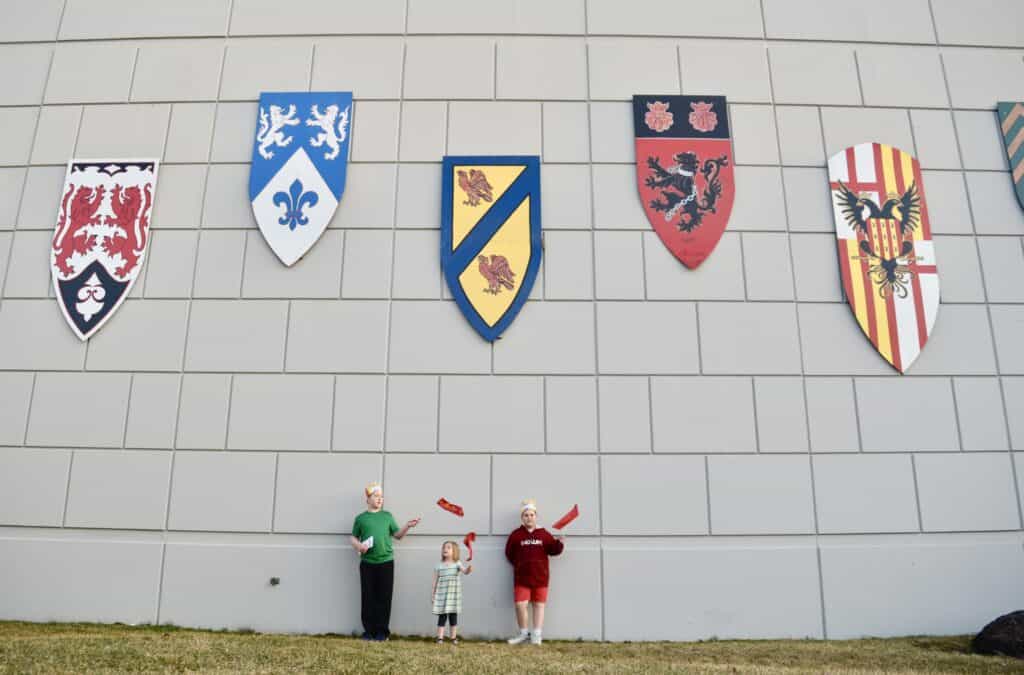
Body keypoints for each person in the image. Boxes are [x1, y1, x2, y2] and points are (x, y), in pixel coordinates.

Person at [349, 482, 420, 641]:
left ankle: (382, 632)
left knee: (384, 598)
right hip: (367, 564)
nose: (380, 499)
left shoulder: (387, 516)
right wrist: (358, 545)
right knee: (368, 597)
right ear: (368, 499)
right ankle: (369, 632)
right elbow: (352, 537)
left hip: (386, 563)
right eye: (376, 496)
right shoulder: (360, 519)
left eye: (381, 497)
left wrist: (408, 526)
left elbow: (398, 535)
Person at [504, 499, 564, 645]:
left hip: (541, 577)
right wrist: (519, 565)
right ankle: (524, 634)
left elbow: (553, 550)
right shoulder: (516, 535)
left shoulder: (544, 534)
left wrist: (559, 543)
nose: (529, 517)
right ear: (522, 518)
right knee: (520, 604)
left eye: (531, 515)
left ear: (536, 516)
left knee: (539, 605)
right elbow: (509, 553)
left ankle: (537, 635)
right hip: (522, 578)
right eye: (526, 515)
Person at [431, 541, 473, 644]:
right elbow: (434, 581)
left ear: (454, 551)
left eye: (448, 547)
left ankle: (453, 637)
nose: (445, 549)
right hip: (442, 596)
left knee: (453, 617)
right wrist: (433, 594)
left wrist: (468, 569)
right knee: (442, 616)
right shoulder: (439, 565)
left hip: (453, 596)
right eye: (444, 547)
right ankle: (440, 637)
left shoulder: (457, 564)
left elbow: (465, 571)